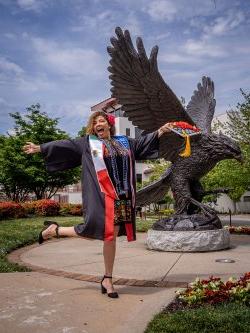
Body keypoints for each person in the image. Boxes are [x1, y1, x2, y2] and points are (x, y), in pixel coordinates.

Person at [23, 111, 172, 298]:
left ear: (109, 124)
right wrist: (40, 148)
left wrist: (160, 131)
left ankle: (107, 279)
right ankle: (55, 231)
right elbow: (65, 145)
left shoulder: (124, 142)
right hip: (100, 195)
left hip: (122, 196)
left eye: (101, 121)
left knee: (111, 235)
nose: (97, 125)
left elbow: (143, 143)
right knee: (93, 227)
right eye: (95, 123)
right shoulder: (88, 143)